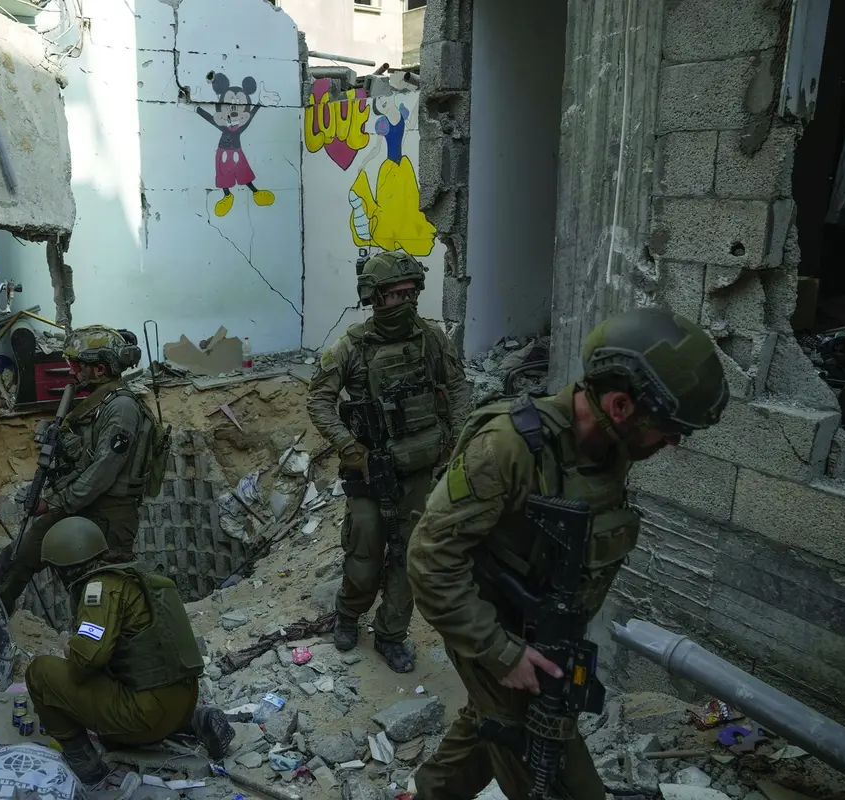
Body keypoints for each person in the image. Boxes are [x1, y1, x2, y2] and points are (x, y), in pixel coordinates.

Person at [406, 308, 729, 799]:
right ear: (620, 405)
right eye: (667, 428)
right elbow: (429, 560)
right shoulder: (507, 449)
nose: (673, 441)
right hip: (491, 630)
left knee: (487, 724)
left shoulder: (609, 449)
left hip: (550, 634)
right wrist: (502, 652)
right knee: (553, 774)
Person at [306, 251, 470, 673]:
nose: (405, 302)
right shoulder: (352, 346)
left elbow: (457, 388)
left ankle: (392, 633)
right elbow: (319, 400)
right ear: (374, 298)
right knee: (364, 556)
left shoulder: (431, 339)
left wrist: (455, 440)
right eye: (395, 294)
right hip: (371, 470)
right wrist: (349, 447)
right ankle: (347, 613)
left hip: (420, 471)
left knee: (409, 558)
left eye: (410, 292)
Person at [24, 516, 234, 783]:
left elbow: (85, 662)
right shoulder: (136, 575)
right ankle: (195, 722)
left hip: (146, 715)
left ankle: (85, 764)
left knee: (39, 672)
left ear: (62, 568)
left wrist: (69, 648)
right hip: (182, 699)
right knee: (118, 709)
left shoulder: (98, 590)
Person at [0, 325, 160, 614]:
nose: (71, 369)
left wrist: (56, 502)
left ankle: (101, 649)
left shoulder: (121, 407)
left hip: (110, 514)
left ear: (100, 369)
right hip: (84, 503)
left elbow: (104, 471)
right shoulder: (99, 402)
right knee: (22, 555)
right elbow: (88, 459)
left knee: (101, 592)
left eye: (78, 364)